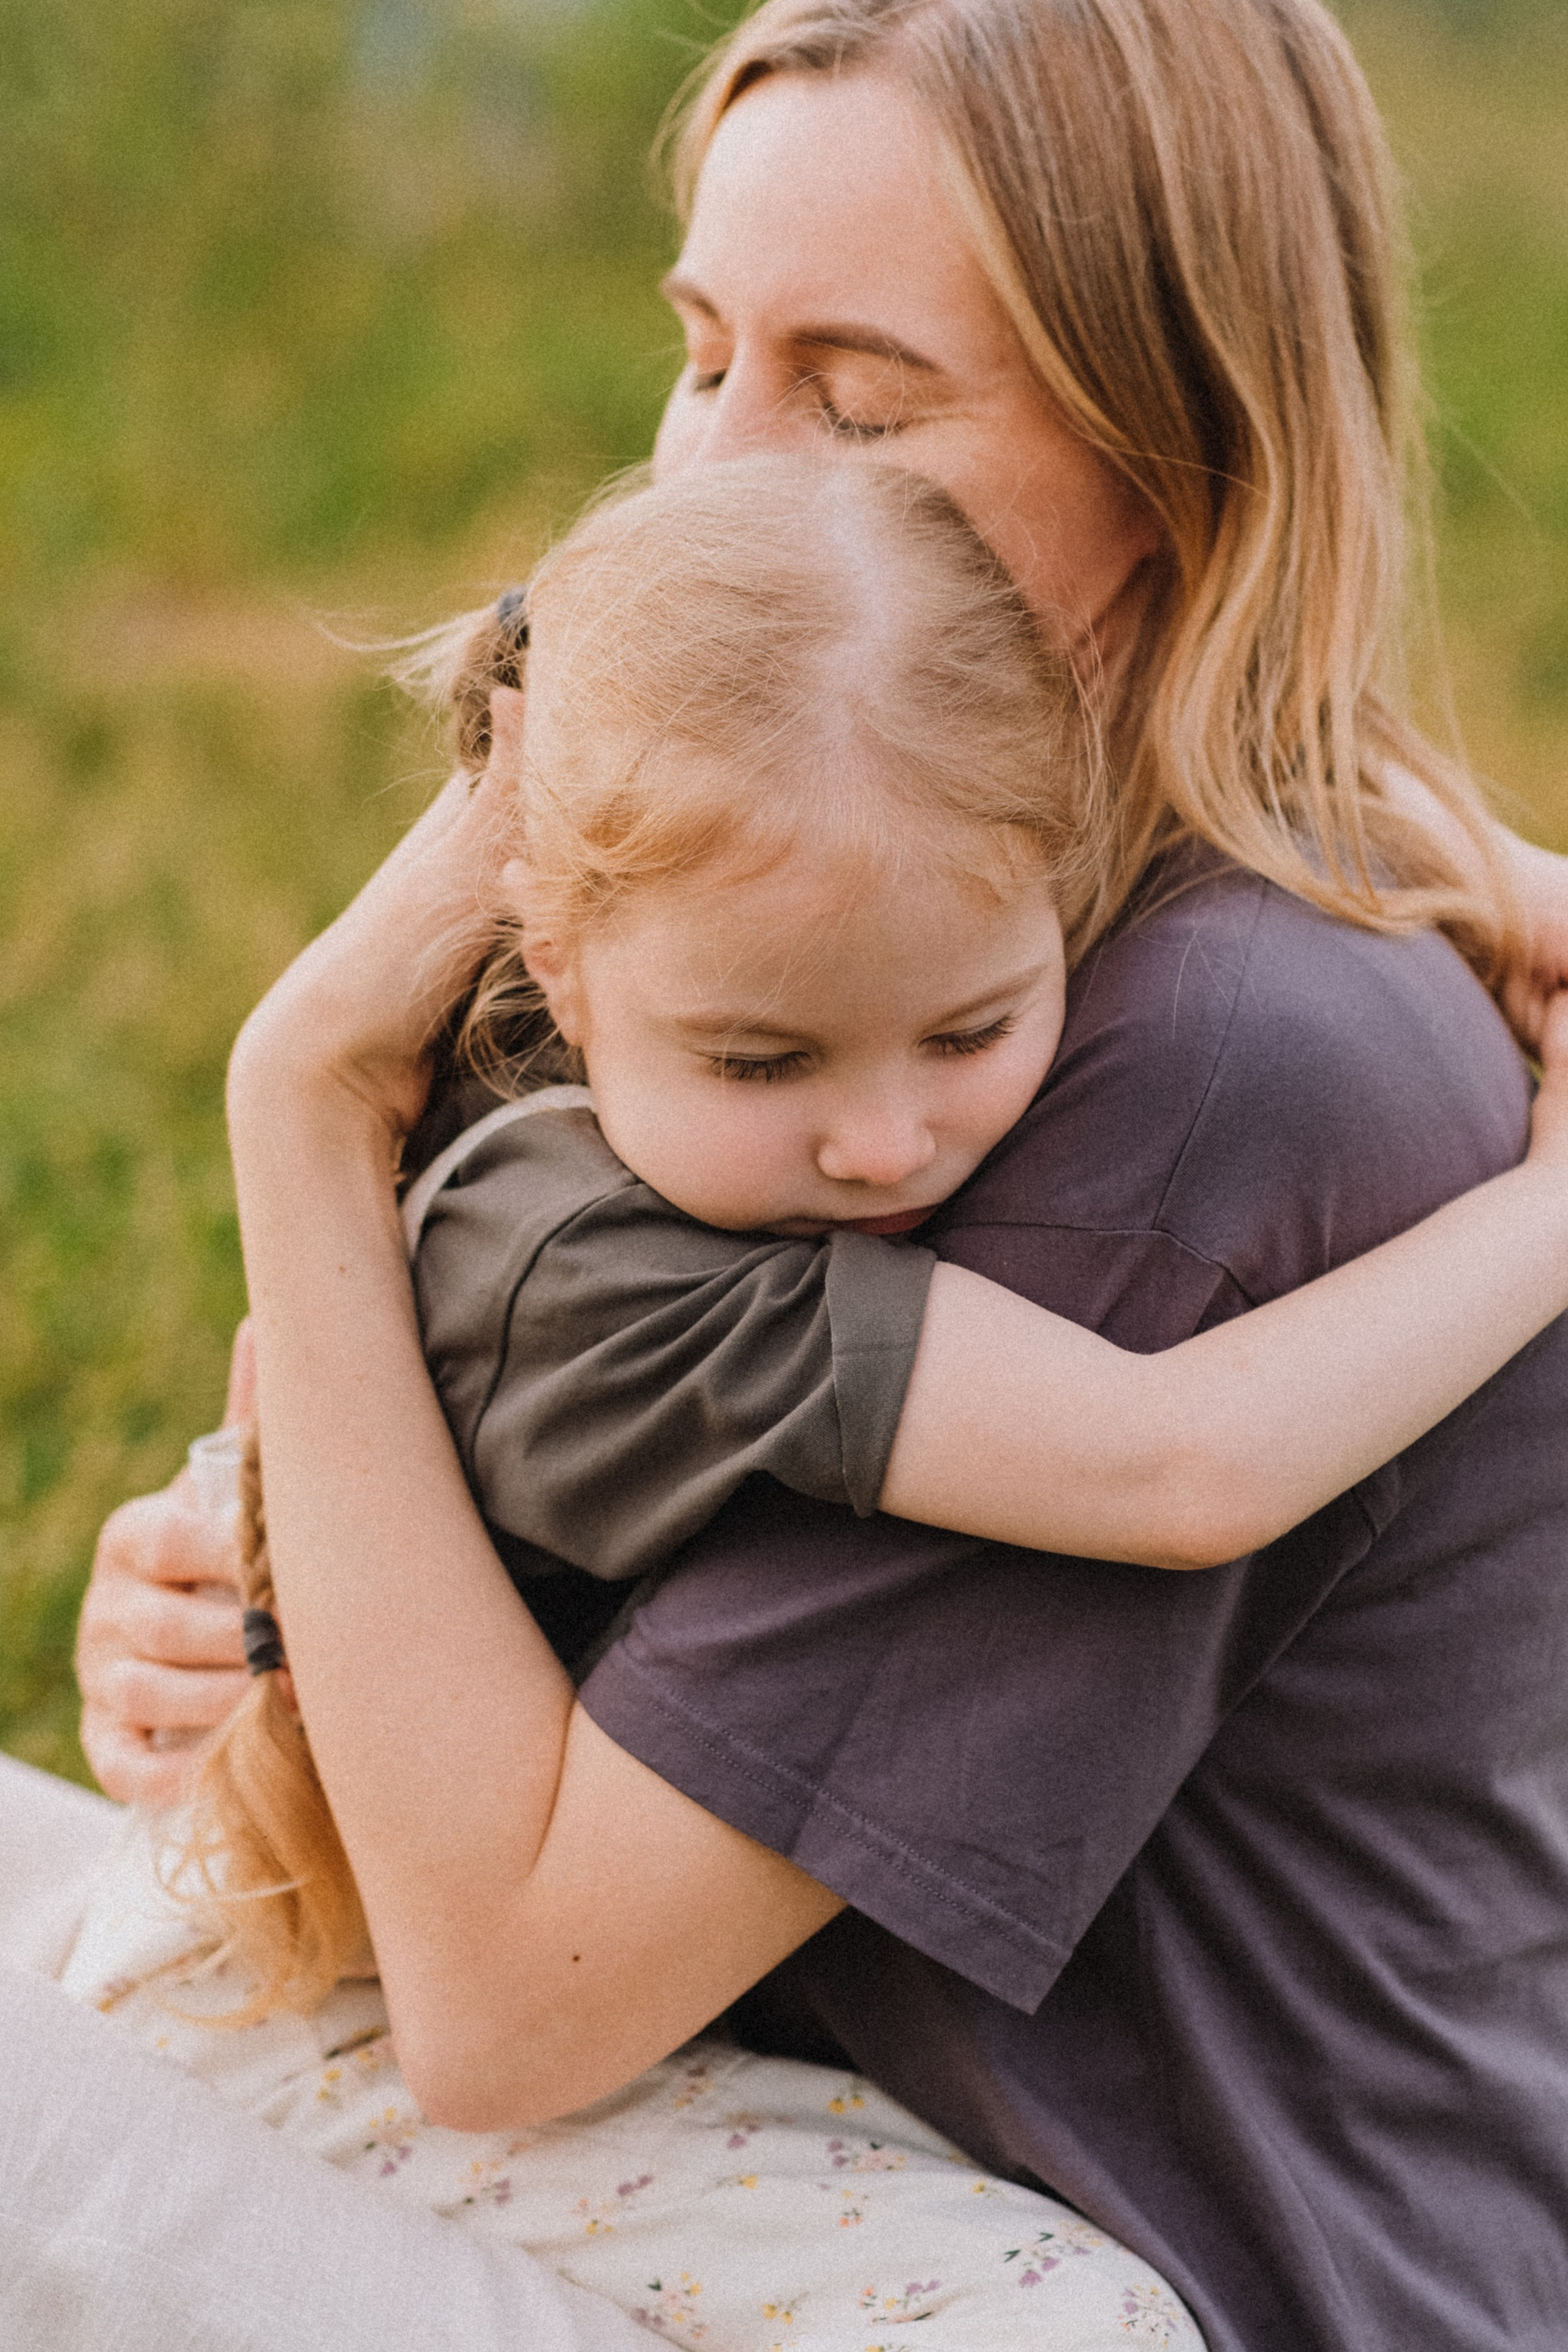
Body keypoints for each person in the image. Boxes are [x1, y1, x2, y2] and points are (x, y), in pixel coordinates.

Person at [24, 0, 1568, 2345]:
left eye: (857, 404)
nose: (715, 492)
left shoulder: (1205, 1077)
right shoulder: (897, 948)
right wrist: (275, 1614)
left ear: (1185, 455)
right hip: (755, 2182)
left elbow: (515, 2004)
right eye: (702, 354)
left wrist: (302, 1102)